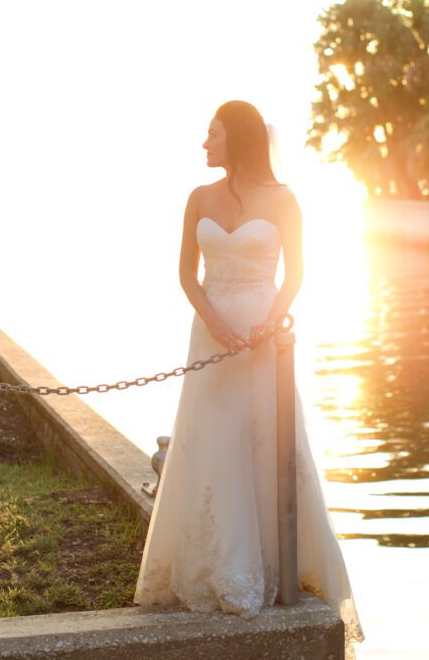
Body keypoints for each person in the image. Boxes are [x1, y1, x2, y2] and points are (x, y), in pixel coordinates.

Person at [133, 100, 365, 658]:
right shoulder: (198, 198)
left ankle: (274, 564)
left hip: (264, 343)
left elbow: (299, 272)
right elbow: (186, 275)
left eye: (211, 135)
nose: (203, 145)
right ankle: (215, 567)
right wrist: (212, 321)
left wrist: (269, 322)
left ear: (235, 139)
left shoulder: (285, 200)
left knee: (264, 444)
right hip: (209, 338)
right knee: (210, 443)